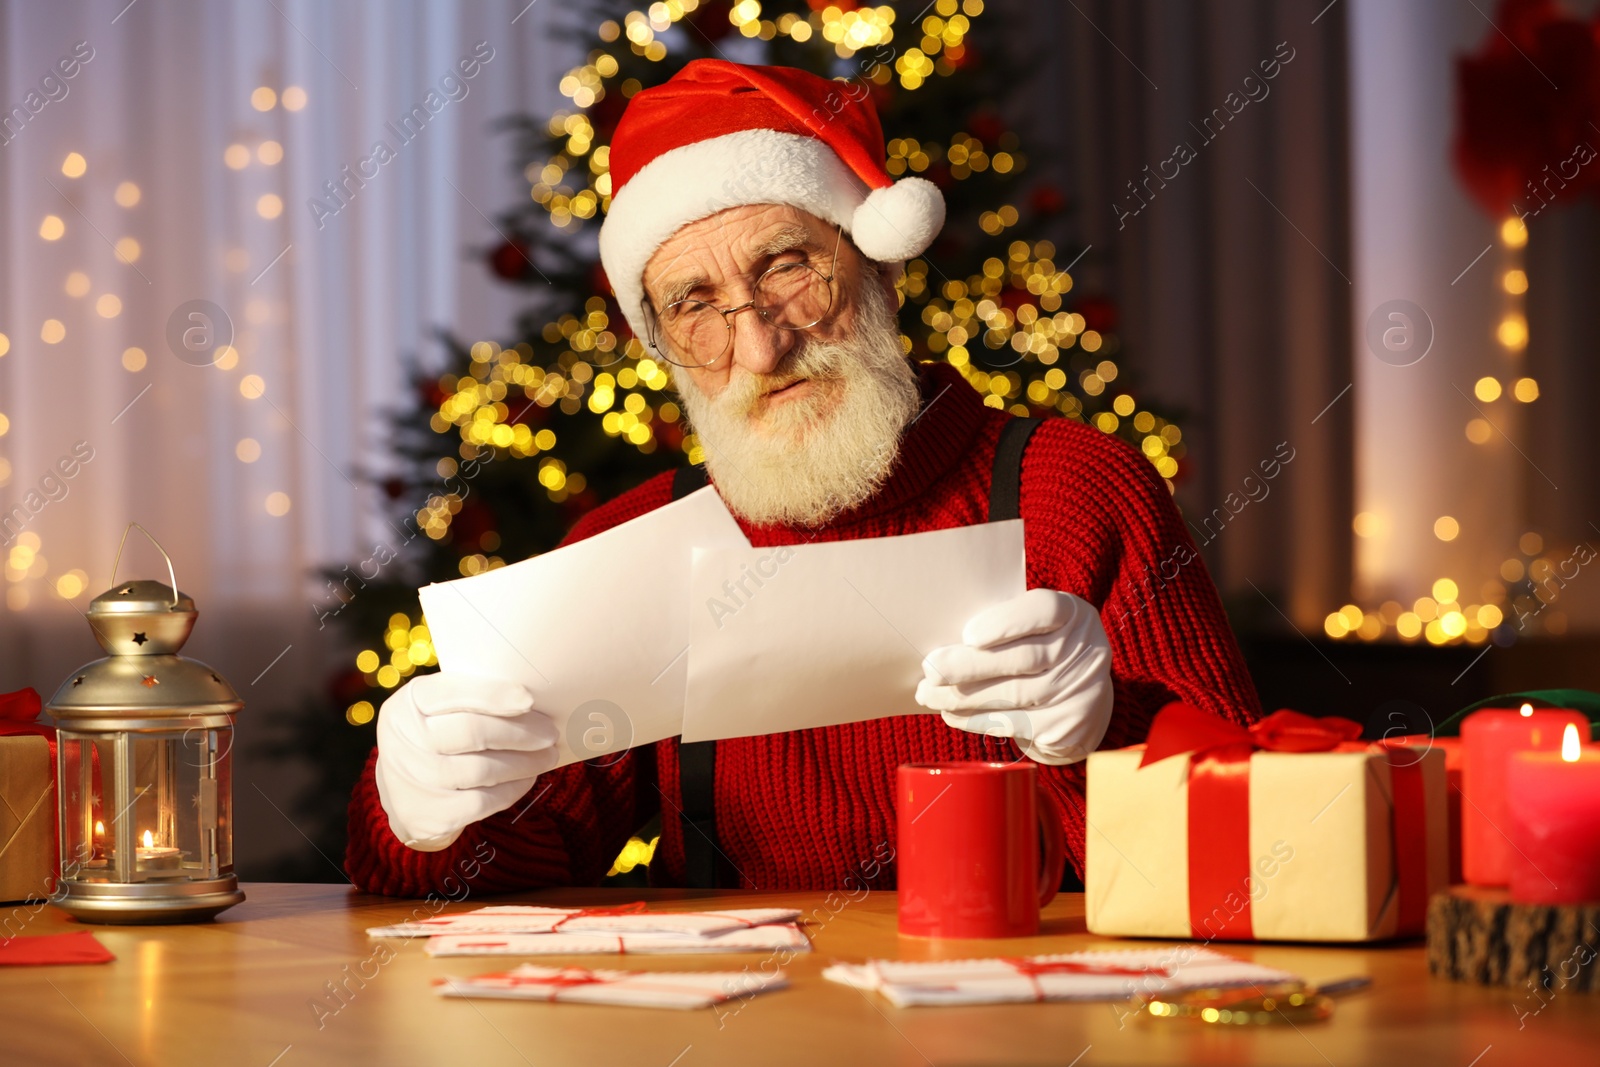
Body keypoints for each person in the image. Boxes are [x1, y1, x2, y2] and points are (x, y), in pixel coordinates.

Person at [346, 60, 1260, 895]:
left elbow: (1241, 860)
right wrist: (427, 812)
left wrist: (1107, 735)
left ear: (880, 268)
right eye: (695, 307)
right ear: (663, 348)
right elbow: (490, 885)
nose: (759, 344)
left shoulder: (1078, 489)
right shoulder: (631, 545)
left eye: (788, 269)